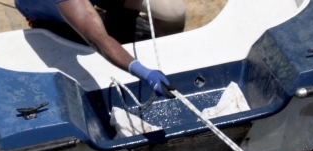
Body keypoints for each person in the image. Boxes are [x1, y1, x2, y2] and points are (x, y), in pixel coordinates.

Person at [15, 0, 186, 97]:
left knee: (173, 12)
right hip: (53, 11)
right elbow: (98, 39)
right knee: (91, 40)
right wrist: (143, 72)